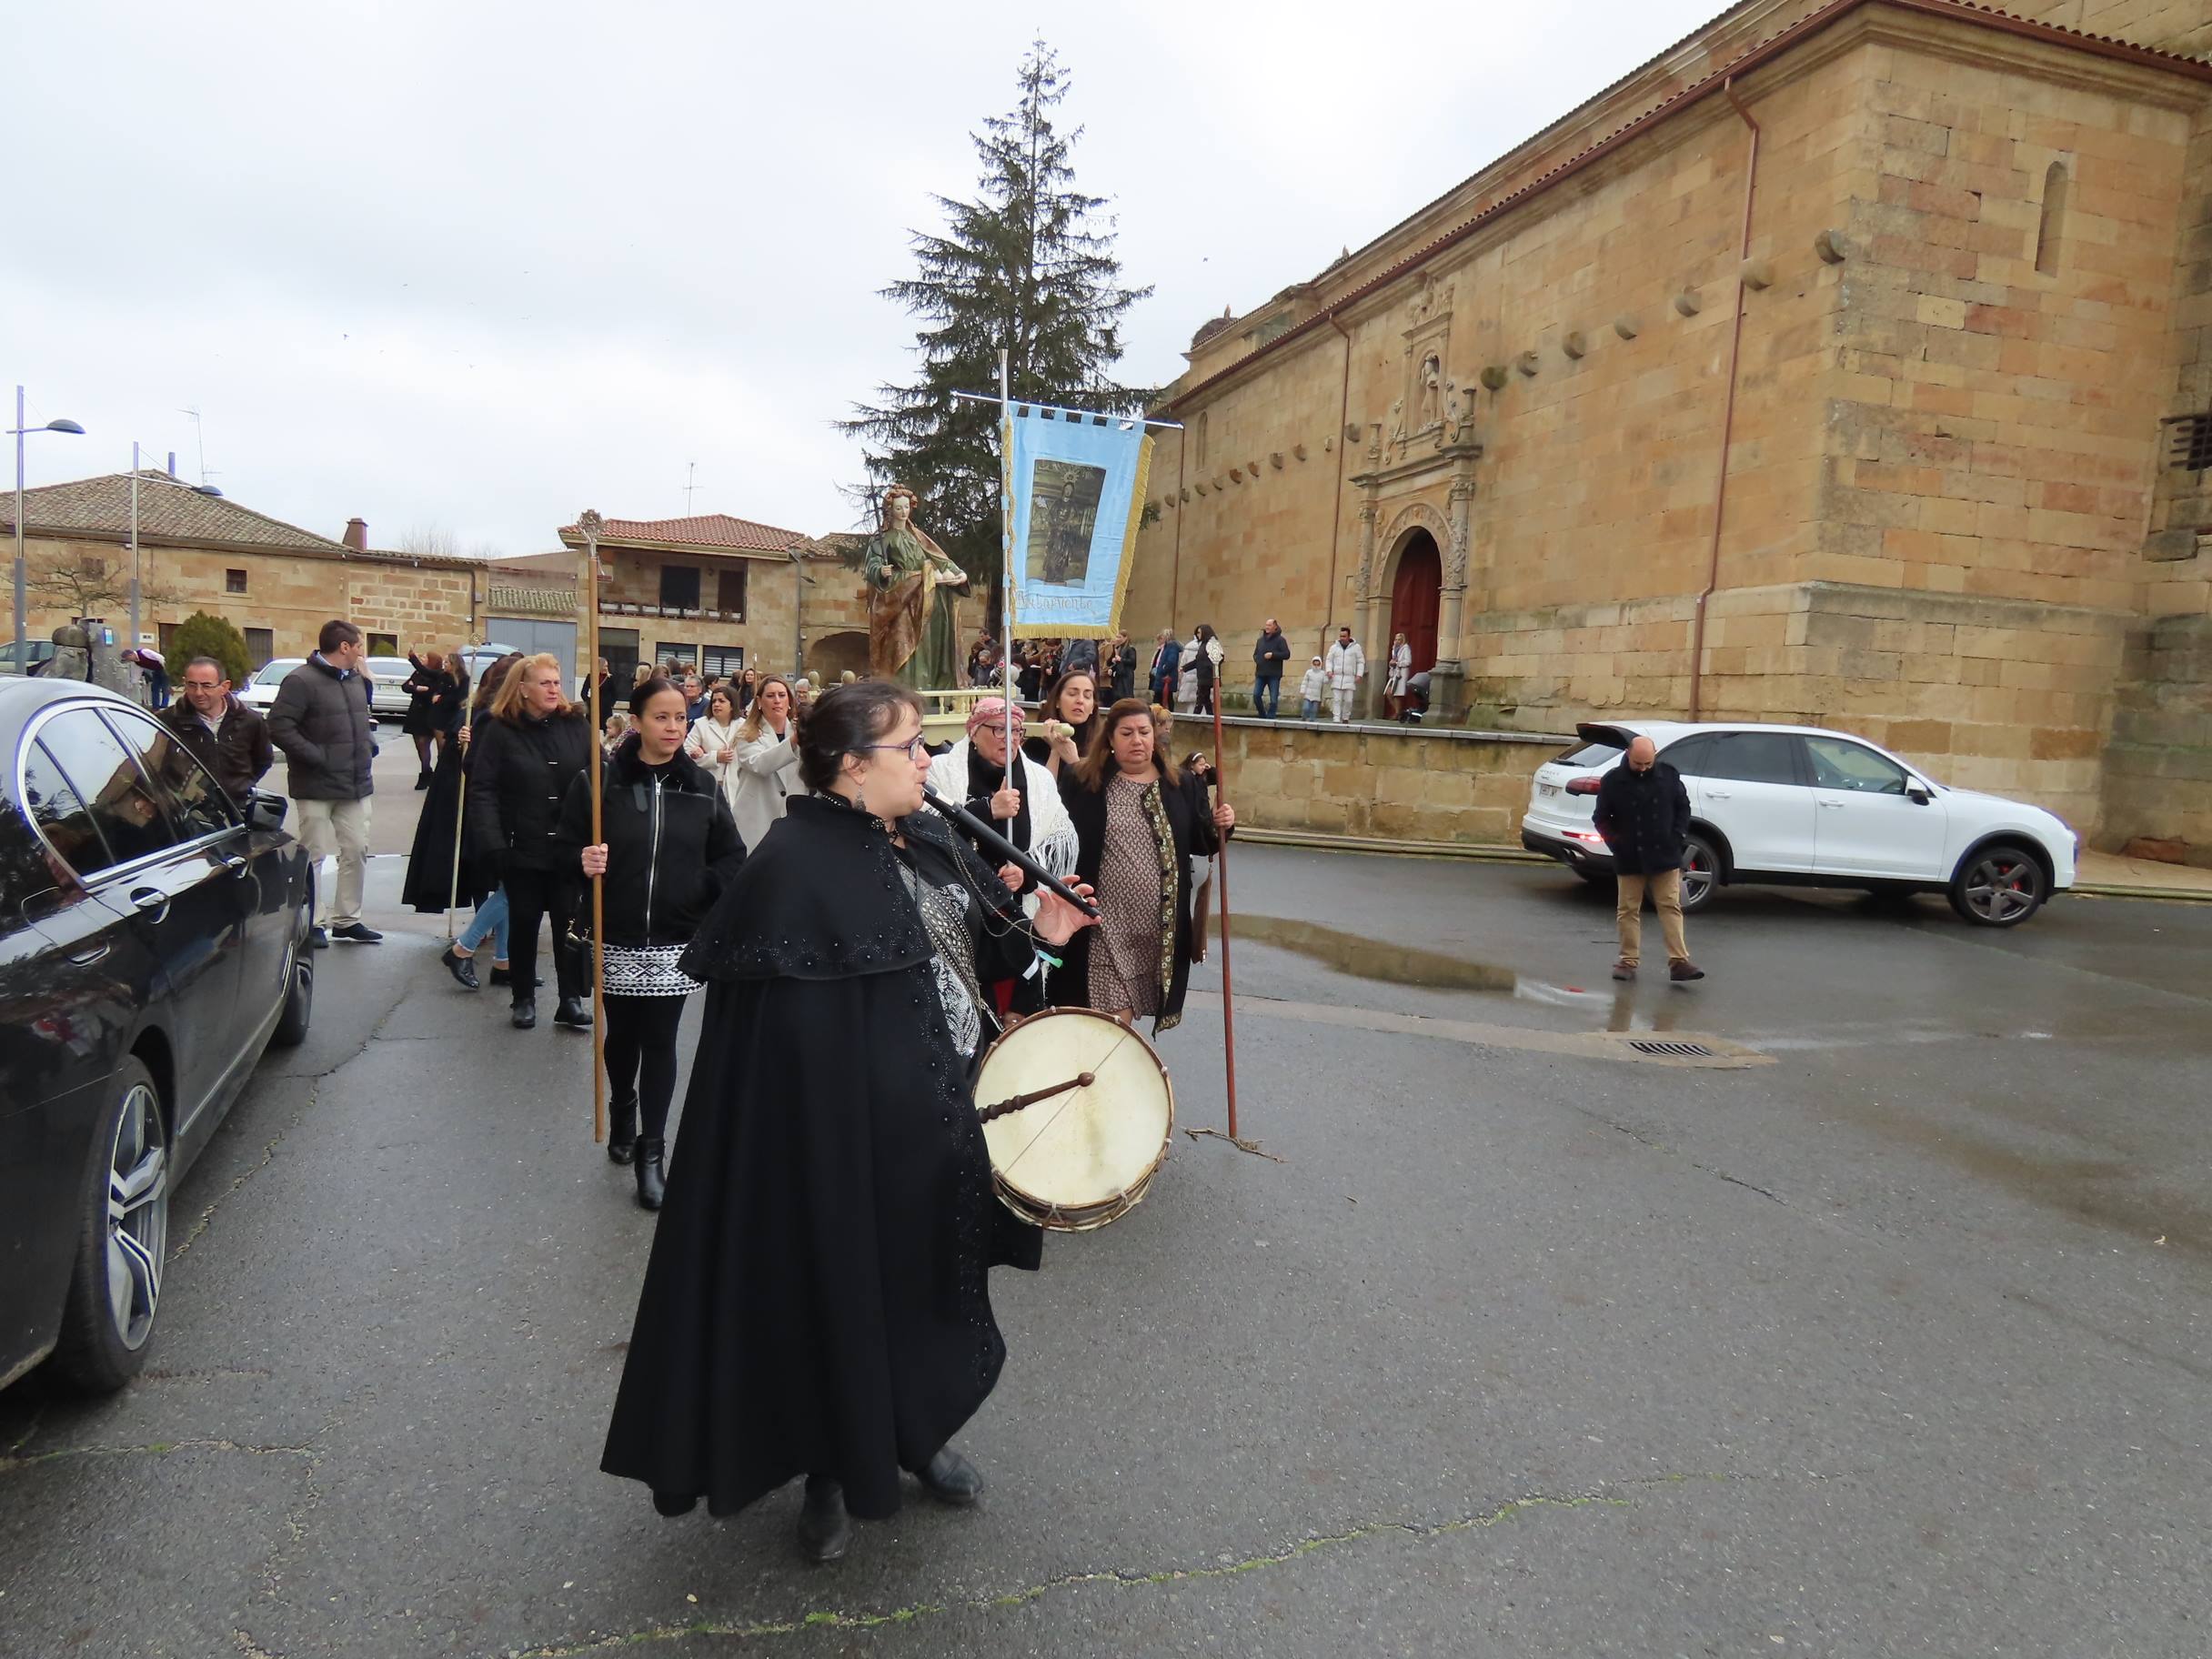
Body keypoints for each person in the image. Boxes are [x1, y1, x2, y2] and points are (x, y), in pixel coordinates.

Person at [600, 679, 1095, 1563]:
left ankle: (914, 1434)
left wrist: (1047, 933)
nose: (924, 760)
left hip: (941, 1114)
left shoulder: (938, 832)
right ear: (850, 766)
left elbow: (993, 952)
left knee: (925, 1290)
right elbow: (770, 1051)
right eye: (907, 746)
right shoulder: (788, 864)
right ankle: (832, 1471)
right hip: (837, 1144)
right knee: (838, 1300)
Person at [565, 679, 746, 1209]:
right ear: (638, 720)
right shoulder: (599, 785)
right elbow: (562, 851)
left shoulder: (703, 788)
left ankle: (652, 1152)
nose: (672, 727)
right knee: (621, 1037)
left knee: (661, 1041)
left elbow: (731, 858)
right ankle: (623, 1104)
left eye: (678, 718)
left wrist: (698, 892)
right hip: (617, 933)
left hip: (674, 938)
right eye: (661, 717)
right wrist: (582, 862)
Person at [1055, 698, 1235, 1032]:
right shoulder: (1084, 782)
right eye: (1126, 733)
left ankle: (1110, 1078)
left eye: (1143, 732)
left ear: (1154, 737)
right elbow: (1060, 838)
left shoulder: (1181, 784)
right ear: (1110, 739)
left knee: (1123, 1020)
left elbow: (1203, 841)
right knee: (1112, 1021)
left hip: (1158, 929)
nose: (1137, 740)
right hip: (1103, 923)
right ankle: (1105, 1078)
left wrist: (1223, 824)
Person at [468, 651, 597, 1030]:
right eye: (545, 683)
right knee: (524, 923)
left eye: (557, 682)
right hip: (519, 843)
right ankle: (522, 997)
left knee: (567, 924)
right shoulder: (499, 729)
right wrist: (492, 843)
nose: (554, 689)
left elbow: (599, 773)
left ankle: (569, 998)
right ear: (523, 689)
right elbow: (483, 789)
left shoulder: (576, 724)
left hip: (568, 846)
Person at [928, 697, 1078, 1015]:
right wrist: (986, 810)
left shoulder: (1038, 780)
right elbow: (925, 832)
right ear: (973, 730)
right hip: (960, 911)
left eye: (1016, 731)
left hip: (1016, 913)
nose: (1009, 739)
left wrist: (1026, 875)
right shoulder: (942, 772)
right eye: (998, 730)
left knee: (1017, 1013)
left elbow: (1057, 843)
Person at [268, 619, 380, 946]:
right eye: (359, 645)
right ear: (344, 646)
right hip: (315, 784)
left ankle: (347, 919)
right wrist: (317, 757)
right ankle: (313, 921)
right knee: (314, 854)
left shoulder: (357, 680)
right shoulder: (300, 681)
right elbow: (279, 726)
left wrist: (369, 744)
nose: (361, 652)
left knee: (356, 849)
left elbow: (361, 720)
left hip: (356, 783)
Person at [427, 653, 524, 992]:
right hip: (497, 813)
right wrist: (463, 743)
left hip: (516, 810)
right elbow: (475, 770)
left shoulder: (514, 717)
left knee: (509, 888)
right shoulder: (488, 719)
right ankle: (463, 948)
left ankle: (503, 961)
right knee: (512, 887)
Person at [1593, 735, 1704, 984]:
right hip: (1629, 855)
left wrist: (1678, 836)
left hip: (1665, 853)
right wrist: (1616, 843)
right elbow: (1601, 817)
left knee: (1670, 906)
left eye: (1648, 763)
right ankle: (1628, 961)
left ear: (1654, 757)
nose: (1643, 768)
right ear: (1628, 756)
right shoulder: (1612, 781)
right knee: (1628, 910)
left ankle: (1679, 962)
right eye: (1638, 763)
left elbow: (1682, 808)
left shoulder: (1669, 775)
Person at [862, 484, 969, 688]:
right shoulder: (882, 539)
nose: (903, 512)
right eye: (898, 508)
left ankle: (926, 687)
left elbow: (939, 559)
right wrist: (880, 572)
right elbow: (872, 565)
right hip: (901, 598)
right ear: (890, 510)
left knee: (925, 647)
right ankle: (902, 688)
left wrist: (959, 573)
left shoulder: (917, 536)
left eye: (906, 507)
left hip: (925, 599)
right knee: (902, 644)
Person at [158, 655, 274, 804]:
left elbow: (263, 760)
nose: (198, 692)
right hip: (188, 814)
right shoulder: (167, 721)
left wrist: (240, 786)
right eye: (192, 685)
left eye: (207, 686)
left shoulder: (250, 721)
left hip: (237, 809)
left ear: (224, 687)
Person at [727, 674, 801, 850]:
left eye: (782, 695)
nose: (777, 700)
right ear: (759, 702)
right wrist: (794, 741)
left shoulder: (800, 731)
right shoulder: (747, 733)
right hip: (756, 821)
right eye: (770, 696)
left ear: (789, 700)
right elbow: (760, 764)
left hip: (793, 821)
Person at [1022, 668, 1099, 778]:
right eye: (1072, 694)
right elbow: (1041, 791)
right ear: (1057, 701)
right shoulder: (1036, 744)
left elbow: (1093, 792)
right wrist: (1056, 751)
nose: (1080, 700)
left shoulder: (1102, 747)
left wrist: (1073, 762)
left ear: (1093, 707)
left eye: (1087, 696)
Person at [400, 649, 455, 788]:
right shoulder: (419, 673)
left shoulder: (438, 675)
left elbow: (431, 692)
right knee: (419, 744)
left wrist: (418, 688)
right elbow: (406, 686)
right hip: (415, 713)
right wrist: (417, 688)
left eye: (425, 656)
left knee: (426, 743)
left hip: (428, 713)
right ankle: (427, 771)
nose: (423, 658)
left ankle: (426, 774)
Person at [683, 685, 744, 809]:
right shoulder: (701, 725)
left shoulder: (744, 726)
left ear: (732, 705)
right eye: (714, 701)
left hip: (737, 787)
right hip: (709, 787)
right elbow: (686, 754)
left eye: (721, 701)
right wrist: (714, 757)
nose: (716, 704)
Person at [1324, 627, 1366, 724]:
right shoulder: (1334, 648)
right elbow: (1329, 660)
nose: (1342, 638)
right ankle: (1336, 718)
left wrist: (1359, 674)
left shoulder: (1356, 647)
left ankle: (1346, 717)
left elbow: (1360, 661)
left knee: (1348, 700)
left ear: (1349, 636)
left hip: (1349, 677)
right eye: (1341, 636)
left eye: (1344, 636)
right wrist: (1329, 670)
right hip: (1337, 676)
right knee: (1337, 700)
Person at [1251, 618, 1291, 719]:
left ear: (1275, 627)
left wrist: (1273, 655)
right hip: (1260, 673)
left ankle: (1271, 718)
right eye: (1266, 625)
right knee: (1256, 696)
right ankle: (1262, 715)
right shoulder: (1260, 641)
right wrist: (1258, 660)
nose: (1267, 627)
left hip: (1274, 674)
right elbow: (1255, 654)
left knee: (1273, 699)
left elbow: (1286, 654)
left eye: (1269, 625)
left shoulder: (1281, 640)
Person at [1187, 624, 1224, 716]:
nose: (1198, 635)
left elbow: (1219, 658)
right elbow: (1198, 661)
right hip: (1203, 676)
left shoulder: (1212, 643)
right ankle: (1210, 716)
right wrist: (1185, 668)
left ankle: (1194, 718)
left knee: (1200, 698)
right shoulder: (1203, 644)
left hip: (1208, 676)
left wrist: (1209, 667)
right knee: (1205, 699)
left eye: (1199, 632)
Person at [1382, 631, 1413, 720]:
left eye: (1399, 639)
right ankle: (1398, 712)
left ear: (1403, 640)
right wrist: (1391, 664)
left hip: (1401, 674)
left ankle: (1397, 713)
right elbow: (1393, 660)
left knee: (1396, 694)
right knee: (1388, 692)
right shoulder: (1394, 649)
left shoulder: (1406, 648)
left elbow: (1408, 661)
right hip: (1394, 674)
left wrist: (1397, 663)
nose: (1397, 641)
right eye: (1396, 639)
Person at [1108, 632, 1138, 702]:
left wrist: (1121, 659)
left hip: (1126, 675)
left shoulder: (1130, 649)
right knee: (1118, 696)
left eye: (1120, 637)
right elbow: (1112, 662)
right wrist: (1112, 669)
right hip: (1119, 675)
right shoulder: (1118, 648)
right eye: (1117, 637)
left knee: (1126, 695)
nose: (1118, 639)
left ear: (1125, 638)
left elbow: (1133, 661)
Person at [1299, 655, 1328, 720]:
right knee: (1305, 708)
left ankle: (1312, 720)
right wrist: (1302, 690)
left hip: (1317, 695)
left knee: (1314, 710)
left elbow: (1325, 682)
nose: (1316, 666)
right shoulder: (1309, 672)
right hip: (1308, 694)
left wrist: (1328, 676)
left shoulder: (1322, 673)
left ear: (1320, 664)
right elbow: (1305, 682)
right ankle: (1304, 717)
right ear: (1312, 664)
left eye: (1318, 664)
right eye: (1315, 664)